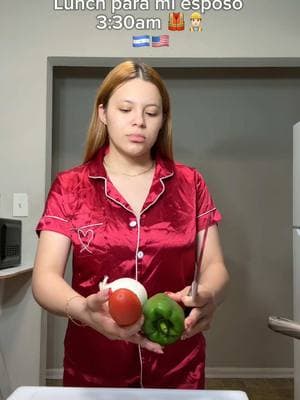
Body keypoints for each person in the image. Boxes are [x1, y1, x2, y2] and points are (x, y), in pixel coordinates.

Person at [32, 60, 229, 389]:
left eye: (152, 113)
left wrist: (208, 294)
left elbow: (215, 265)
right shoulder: (70, 186)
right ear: (103, 113)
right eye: (126, 109)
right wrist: (82, 309)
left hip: (177, 368)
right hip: (94, 370)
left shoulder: (190, 183)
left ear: (162, 120)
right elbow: (44, 278)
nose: (139, 121)